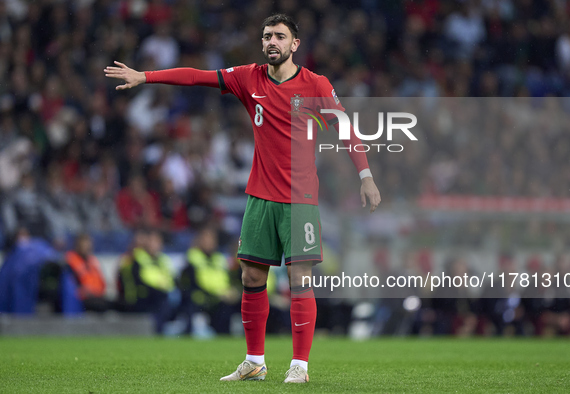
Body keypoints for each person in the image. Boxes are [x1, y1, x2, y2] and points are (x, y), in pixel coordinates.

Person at [105, 14, 381, 383]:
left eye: (280, 36)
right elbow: (196, 76)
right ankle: (255, 361)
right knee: (252, 276)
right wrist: (146, 77)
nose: (272, 42)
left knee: (299, 278)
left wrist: (365, 176)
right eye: (267, 35)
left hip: (299, 198)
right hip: (259, 197)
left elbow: (345, 129)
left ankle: (300, 365)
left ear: (294, 45)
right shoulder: (248, 77)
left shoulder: (316, 85)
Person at [179, 227, 240, 335]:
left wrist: (232, 290)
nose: (209, 242)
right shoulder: (192, 258)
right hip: (203, 297)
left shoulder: (219, 259)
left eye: (211, 239)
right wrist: (218, 294)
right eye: (206, 238)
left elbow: (228, 278)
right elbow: (192, 283)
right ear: (199, 240)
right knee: (222, 309)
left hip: (222, 296)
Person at [64, 233, 110, 312]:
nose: (88, 247)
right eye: (85, 245)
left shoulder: (93, 261)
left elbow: (101, 282)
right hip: (81, 299)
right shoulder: (71, 260)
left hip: (96, 296)